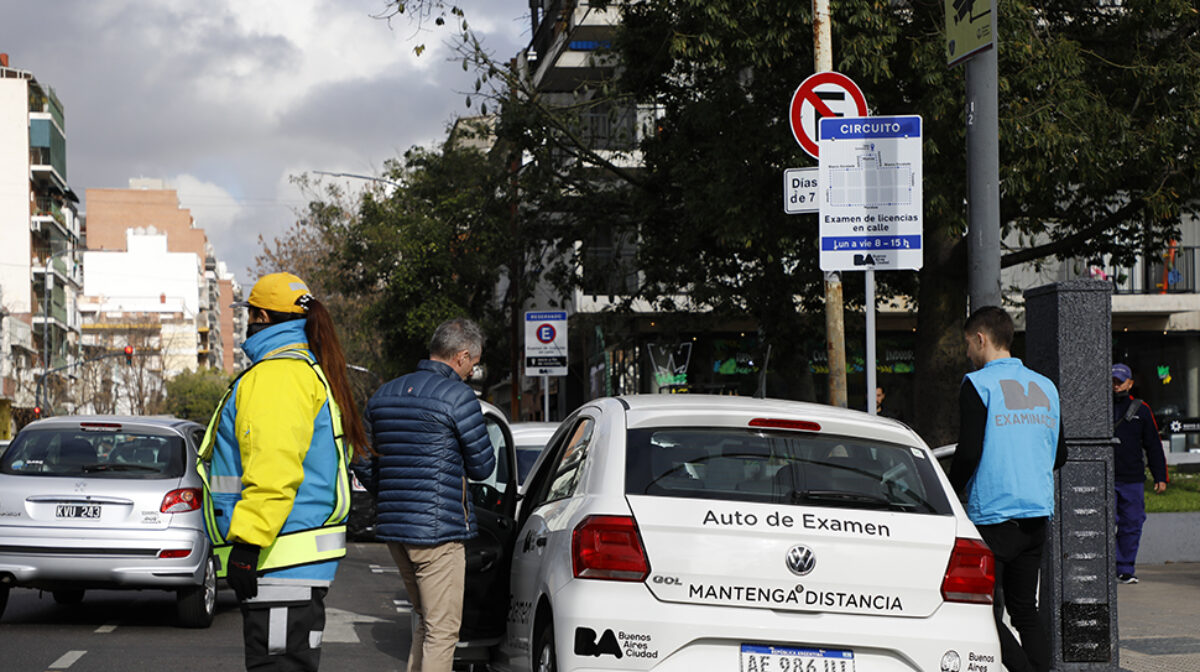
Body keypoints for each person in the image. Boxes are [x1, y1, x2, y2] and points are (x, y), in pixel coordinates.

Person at [199, 272, 369, 671]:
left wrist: (247, 544)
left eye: (249, 317)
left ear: (259, 315)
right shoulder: (302, 369)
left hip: (278, 560)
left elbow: (273, 469)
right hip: (294, 560)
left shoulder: (276, 376)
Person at [365, 318, 496, 672]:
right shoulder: (458, 397)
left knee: (425, 621)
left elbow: (361, 460)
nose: (472, 371)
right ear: (462, 356)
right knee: (442, 631)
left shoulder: (384, 394)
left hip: (396, 530)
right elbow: (483, 467)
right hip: (439, 532)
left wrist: (392, 493)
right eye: (474, 363)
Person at [950, 306, 1067, 672]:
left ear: (981, 339)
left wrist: (950, 492)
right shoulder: (1047, 386)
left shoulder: (978, 385)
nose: (968, 354)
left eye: (969, 345)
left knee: (983, 612)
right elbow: (1059, 453)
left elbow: (968, 453)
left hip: (994, 517)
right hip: (1035, 516)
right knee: (1024, 611)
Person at [1111, 363, 1168, 584]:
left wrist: (1160, 476)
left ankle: (1125, 568)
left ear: (1130, 383)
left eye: (1120, 381)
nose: (1116, 386)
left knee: (1131, 523)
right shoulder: (1099, 407)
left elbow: (1153, 445)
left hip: (1132, 479)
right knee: (1105, 523)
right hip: (1106, 477)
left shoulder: (1142, 410)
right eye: (1113, 381)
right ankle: (1108, 565)